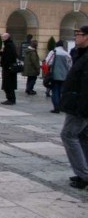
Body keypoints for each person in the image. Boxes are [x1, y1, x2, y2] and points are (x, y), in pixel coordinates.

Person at [59, 25, 88, 189]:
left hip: (81, 106)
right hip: (75, 102)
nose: (76, 37)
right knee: (83, 137)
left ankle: (84, 175)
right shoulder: (78, 53)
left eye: (79, 34)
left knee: (68, 135)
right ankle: (84, 172)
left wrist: (82, 108)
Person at [44, 40, 72, 114]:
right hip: (64, 75)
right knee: (60, 91)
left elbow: (48, 62)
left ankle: (56, 107)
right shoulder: (66, 54)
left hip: (55, 74)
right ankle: (61, 106)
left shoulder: (53, 52)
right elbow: (70, 65)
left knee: (55, 91)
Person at [0, 32, 18, 105]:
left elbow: (8, 57)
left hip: (8, 68)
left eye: (3, 37)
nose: (2, 39)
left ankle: (10, 99)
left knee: (8, 84)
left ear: (6, 37)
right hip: (9, 68)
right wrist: (1, 53)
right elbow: (6, 55)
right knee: (9, 84)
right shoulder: (9, 44)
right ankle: (11, 98)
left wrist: (4, 63)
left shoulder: (8, 45)